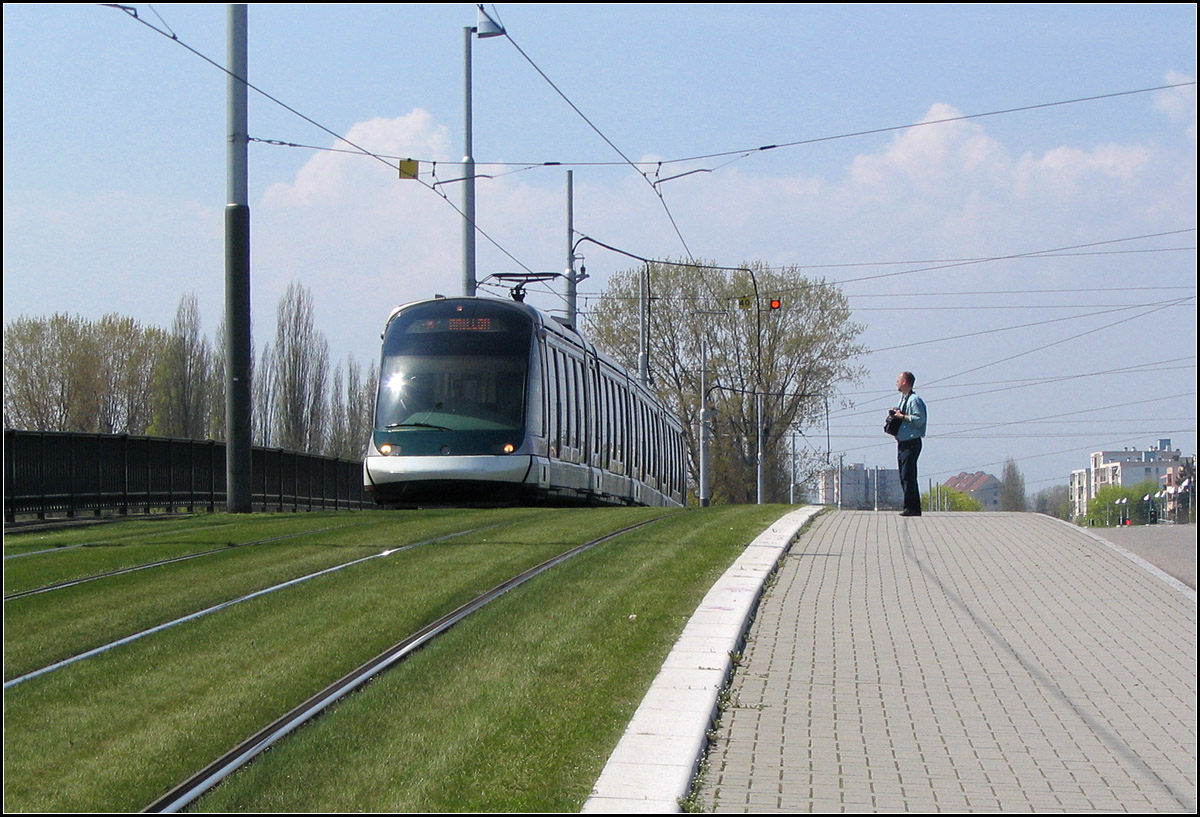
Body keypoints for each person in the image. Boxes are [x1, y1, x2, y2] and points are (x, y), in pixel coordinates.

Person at [891, 371, 927, 517]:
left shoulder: (914, 400)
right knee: (903, 475)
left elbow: (920, 419)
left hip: (912, 442)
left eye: (898, 380)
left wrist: (902, 416)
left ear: (905, 382)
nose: (896, 383)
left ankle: (913, 508)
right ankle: (909, 506)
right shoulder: (903, 399)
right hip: (903, 442)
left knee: (909, 475)